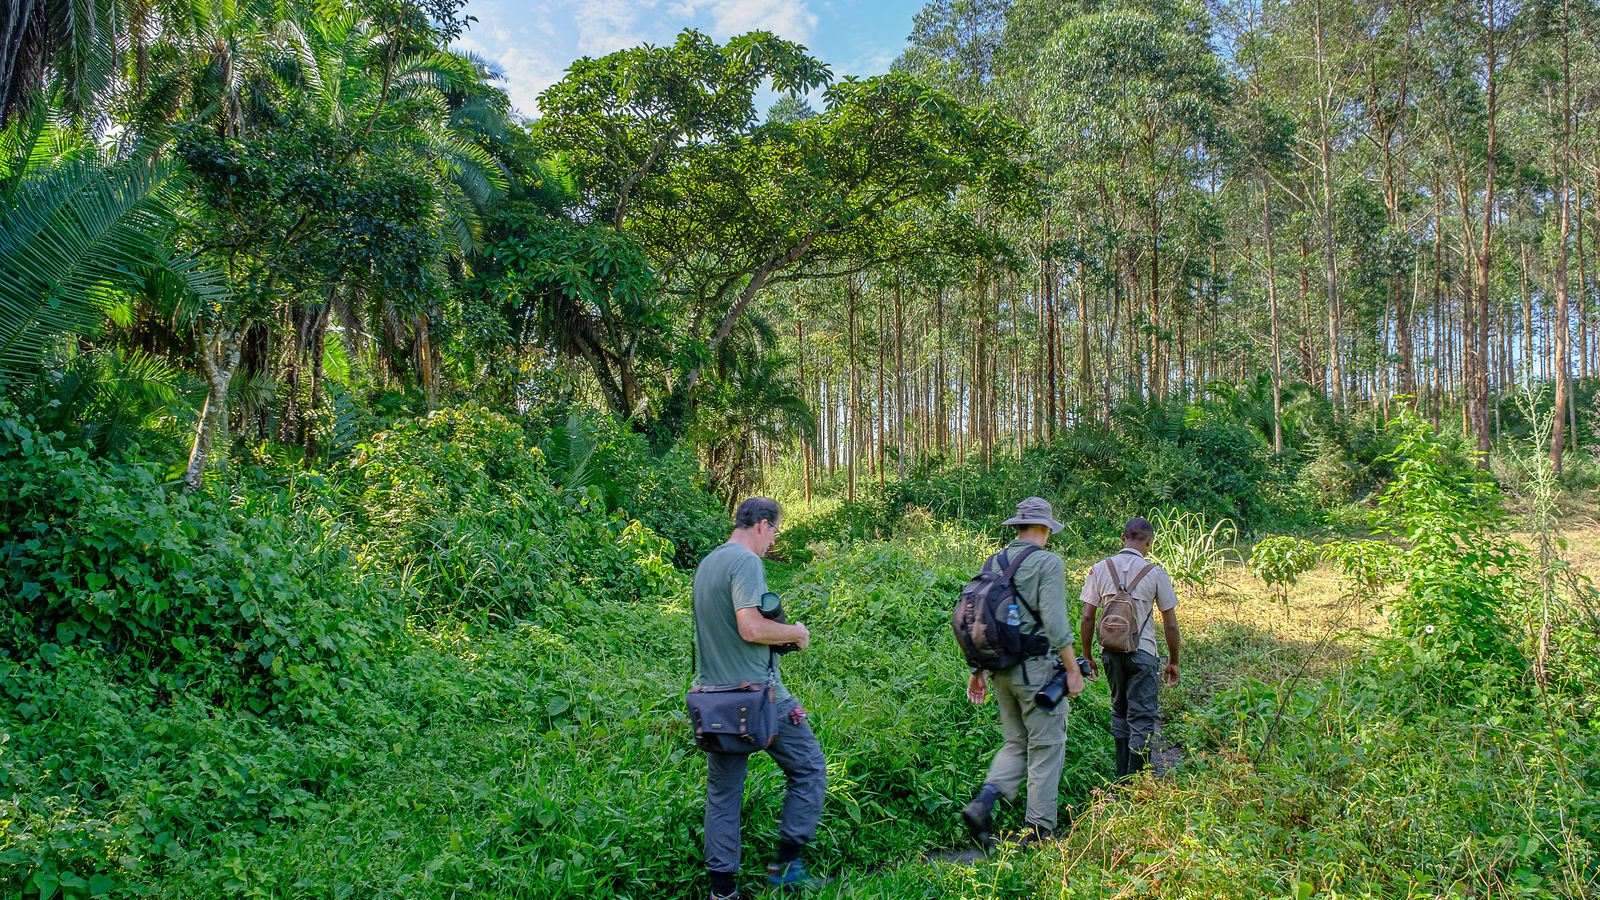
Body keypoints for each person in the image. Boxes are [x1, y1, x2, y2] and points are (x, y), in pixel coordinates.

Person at [693, 497, 826, 900]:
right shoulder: (747, 562)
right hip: (760, 699)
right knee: (809, 768)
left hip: (713, 703)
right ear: (762, 525)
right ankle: (786, 868)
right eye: (775, 533)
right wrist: (796, 633)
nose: (773, 542)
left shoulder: (706, 565)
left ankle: (722, 892)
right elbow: (750, 628)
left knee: (723, 795)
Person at [960, 497, 1081, 849]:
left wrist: (976, 670)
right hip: (1036, 672)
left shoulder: (994, 561)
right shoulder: (1047, 563)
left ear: (1017, 528)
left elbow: (977, 619)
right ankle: (1040, 833)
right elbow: (1057, 625)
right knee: (1046, 746)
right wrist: (1073, 671)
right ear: (1045, 529)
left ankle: (984, 802)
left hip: (1000, 671)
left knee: (1016, 742)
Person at [1078, 516, 1181, 778]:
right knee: (1143, 717)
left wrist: (1088, 655)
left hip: (1110, 653)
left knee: (1119, 710)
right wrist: (1173, 661)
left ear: (1123, 538)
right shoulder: (1155, 573)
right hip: (1143, 653)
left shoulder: (1100, 568)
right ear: (1149, 542)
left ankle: (1121, 777)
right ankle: (1138, 781)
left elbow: (1088, 616)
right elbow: (1170, 624)